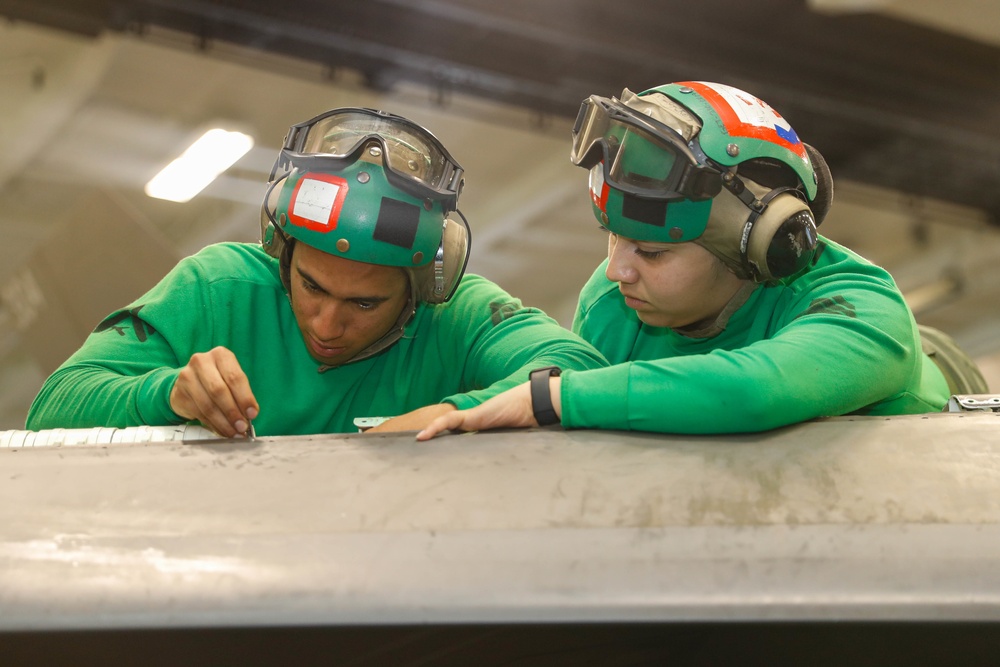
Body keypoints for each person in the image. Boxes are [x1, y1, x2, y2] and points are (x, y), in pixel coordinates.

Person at [417, 81, 987, 440]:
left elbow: (757, 391)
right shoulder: (616, 301)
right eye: (611, 239)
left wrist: (552, 396)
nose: (617, 271)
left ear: (761, 242)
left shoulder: (864, 307)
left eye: (652, 251)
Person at [26, 107, 607, 436]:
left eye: (364, 304)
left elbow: (579, 370)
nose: (327, 324)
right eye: (311, 286)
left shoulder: (456, 313)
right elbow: (54, 405)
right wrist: (168, 392)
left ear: (420, 288)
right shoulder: (216, 288)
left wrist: (456, 413)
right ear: (281, 247)